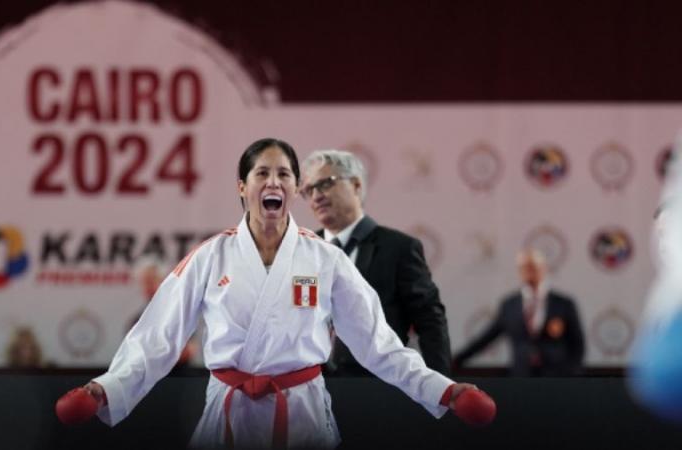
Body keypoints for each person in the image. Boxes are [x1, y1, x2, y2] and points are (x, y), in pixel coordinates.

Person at [80, 138, 475, 449]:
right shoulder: (210, 256)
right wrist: (106, 389)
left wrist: (443, 390)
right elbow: (157, 338)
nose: (274, 182)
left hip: (302, 414)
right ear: (242, 186)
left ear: (293, 188)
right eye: (262, 173)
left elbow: (378, 344)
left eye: (284, 174)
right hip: (227, 416)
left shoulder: (324, 258)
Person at [300, 149, 451, 375]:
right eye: (309, 190)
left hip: (377, 389)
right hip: (310, 390)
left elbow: (430, 322)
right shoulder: (302, 250)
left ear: (356, 185)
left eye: (325, 184)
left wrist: (441, 393)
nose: (316, 196)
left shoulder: (398, 248)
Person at [454, 248, 585, 376]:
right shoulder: (509, 305)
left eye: (532, 266)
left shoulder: (563, 304)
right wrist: (454, 361)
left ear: (544, 268)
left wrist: (572, 373)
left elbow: (578, 343)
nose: (528, 271)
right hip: (521, 377)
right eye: (524, 267)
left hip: (557, 378)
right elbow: (486, 338)